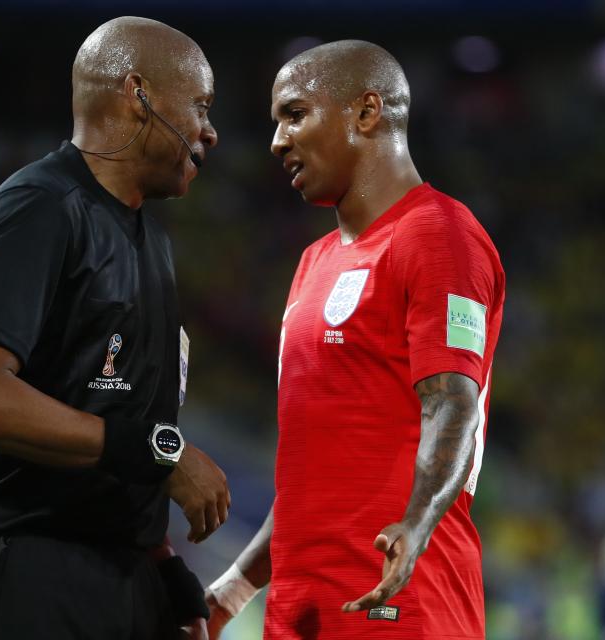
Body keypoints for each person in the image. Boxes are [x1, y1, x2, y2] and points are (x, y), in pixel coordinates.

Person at [0, 16, 229, 640]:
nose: (211, 132)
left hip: (114, 574)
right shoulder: (39, 206)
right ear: (139, 95)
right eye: (199, 105)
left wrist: (163, 570)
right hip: (19, 568)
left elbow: (116, 428)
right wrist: (157, 454)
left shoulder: (153, 244)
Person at [206, 40, 505, 639]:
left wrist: (415, 524)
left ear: (367, 113)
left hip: (398, 602)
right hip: (301, 609)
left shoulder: (439, 236)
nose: (277, 141)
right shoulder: (313, 263)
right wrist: (233, 589)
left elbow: (453, 403)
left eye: (295, 115)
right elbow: (311, 475)